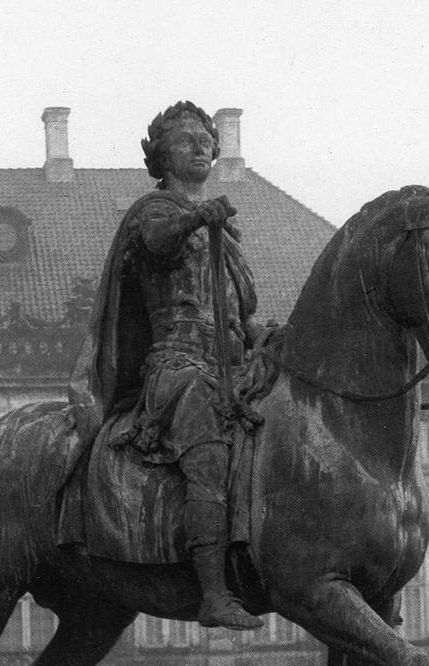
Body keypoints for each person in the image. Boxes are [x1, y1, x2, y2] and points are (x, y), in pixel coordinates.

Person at [83, 101, 266, 630]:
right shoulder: (154, 211)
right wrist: (196, 218)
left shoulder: (223, 232)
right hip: (178, 365)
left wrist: (261, 334)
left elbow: (238, 310)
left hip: (230, 364)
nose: (202, 147)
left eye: (207, 140)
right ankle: (212, 593)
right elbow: (160, 246)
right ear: (161, 157)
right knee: (207, 453)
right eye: (188, 141)